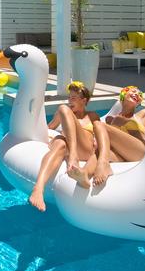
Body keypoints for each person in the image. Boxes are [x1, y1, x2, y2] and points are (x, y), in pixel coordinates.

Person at [28, 81, 106, 212]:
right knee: (60, 142)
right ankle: (38, 188)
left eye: (74, 98)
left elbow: (100, 133)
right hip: (67, 147)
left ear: (84, 100)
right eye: (69, 97)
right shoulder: (64, 113)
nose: (70, 101)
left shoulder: (92, 116)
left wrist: (96, 141)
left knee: (63, 109)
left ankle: (73, 155)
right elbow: (49, 128)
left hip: (84, 149)